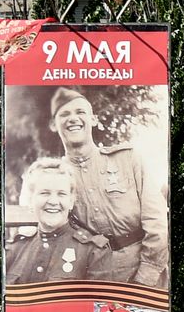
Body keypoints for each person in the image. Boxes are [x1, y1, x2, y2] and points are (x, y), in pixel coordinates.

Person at [46, 87, 170, 286]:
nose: (73, 119)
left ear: (93, 119)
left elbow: (157, 221)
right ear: (54, 124)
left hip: (145, 269)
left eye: (80, 112)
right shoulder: (55, 176)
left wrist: (146, 275)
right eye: (65, 114)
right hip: (93, 277)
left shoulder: (127, 159)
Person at [5, 161, 108, 283]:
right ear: (31, 200)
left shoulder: (93, 251)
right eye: (44, 193)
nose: (53, 201)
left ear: (71, 201)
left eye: (61, 194)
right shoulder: (15, 250)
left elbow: (95, 301)